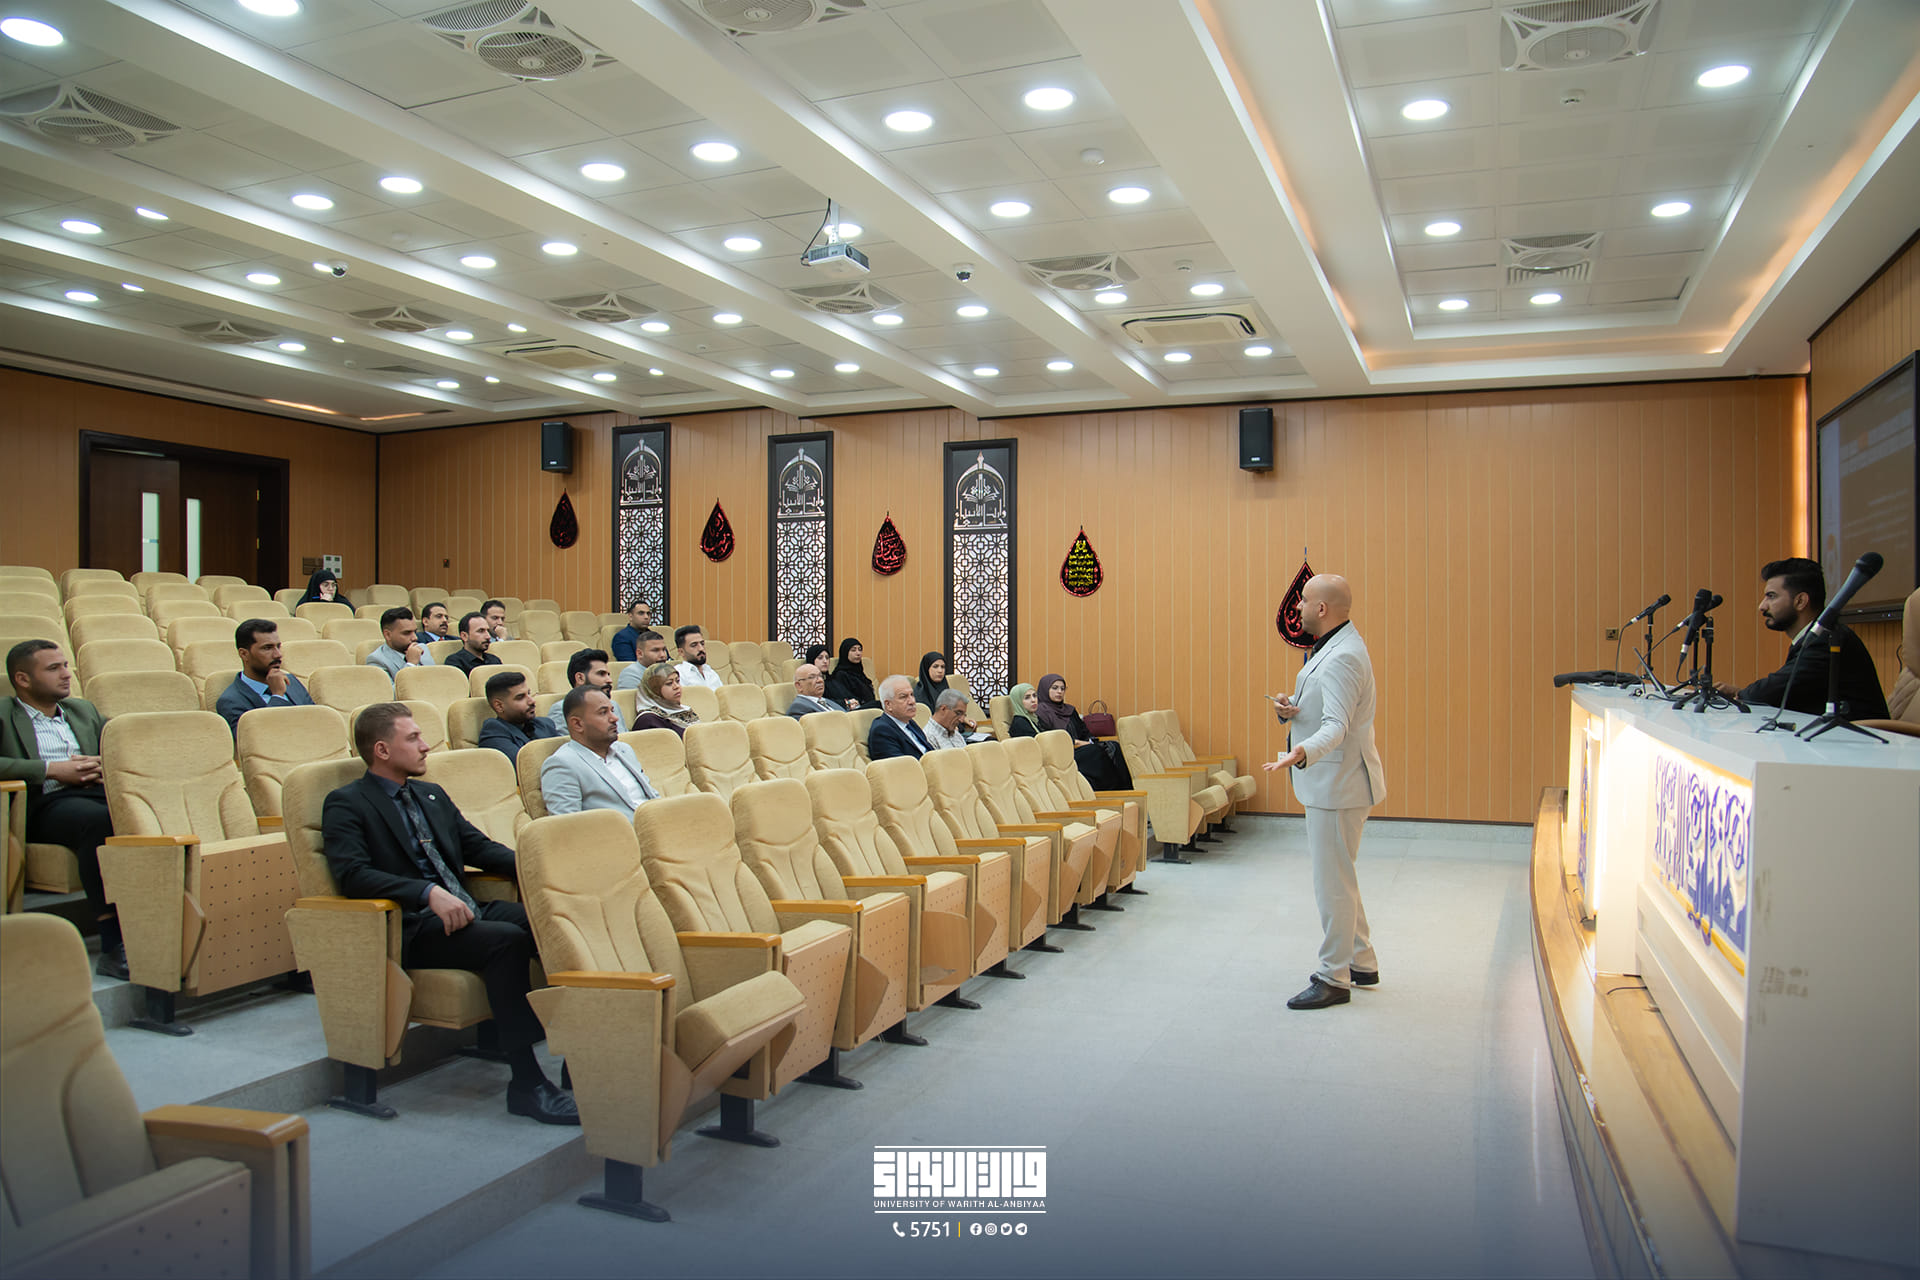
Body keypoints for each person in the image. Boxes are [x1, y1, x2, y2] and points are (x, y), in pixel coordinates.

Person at [320, 702, 576, 1124]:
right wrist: (425, 893)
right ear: (382, 750)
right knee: (505, 941)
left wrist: (541, 867)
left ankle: (577, 1050)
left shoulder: (430, 794)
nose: (426, 746)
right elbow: (353, 875)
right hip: (411, 925)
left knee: (553, 924)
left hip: (466, 911)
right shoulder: (347, 803)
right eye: (413, 738)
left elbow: (478, 848)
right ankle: (527, 1084)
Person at [1265, 573, 1386, 1011]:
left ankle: (1334, 976)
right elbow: (1327, 711)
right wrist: (1291, 712)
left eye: (1303, 601)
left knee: (1331, 884)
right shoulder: (1333, 647)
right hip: (1333, 781)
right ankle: (1361, 962)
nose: (1296, 607)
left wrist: (1301, 752)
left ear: (1322, 609)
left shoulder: (1343, 657)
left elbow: (1337, 726)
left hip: (1337, 784)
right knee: (1340, 877)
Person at [2, 641, 125, 978]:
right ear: (23, 679)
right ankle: (113, 942)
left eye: (66, 666)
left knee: (144, 811)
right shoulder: (4, 714)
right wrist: (51, 769)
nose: (66, 674)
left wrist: (101, 762)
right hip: (43, 804)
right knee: (100, 821)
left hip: (96, 792)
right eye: (53, 668)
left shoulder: (82, 710)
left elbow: (122, 745)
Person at [1714, 557, 1888, 718]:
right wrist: (1742, 693)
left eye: (1771, 596)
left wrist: (1741, 694)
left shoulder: (1827, 639)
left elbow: (1778, 687)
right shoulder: (1811, 637)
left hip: (1858, 738)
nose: (1762, 606)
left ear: (1800, 601)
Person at [542, 686, 660, 816]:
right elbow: (568, 824)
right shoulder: (562, 764)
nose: (614, 718)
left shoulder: (624, 750)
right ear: (577, 724)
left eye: (612, 711)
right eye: (603, 712)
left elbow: (652, 795)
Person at [215, 619, 314, 735]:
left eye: (278, 647)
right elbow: (255, 740)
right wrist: (278, 696)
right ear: (244, 654)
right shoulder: (231, 701)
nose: (278, 655)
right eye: (267, 648)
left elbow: (316, 720)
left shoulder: (291, 681)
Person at [1035, 674, 1133, 791]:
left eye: (1062, 688)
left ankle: (1125, 789)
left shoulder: (1070, 710)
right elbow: (1048, 739)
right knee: (1095, 751)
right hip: (1064, 752)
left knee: (1113, 746)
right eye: (1055, 688)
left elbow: (1084, 731)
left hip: (1083, 747)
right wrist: (1078, 743)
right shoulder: (1040, 712)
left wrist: (1090, 741)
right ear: (1045, 689)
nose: (1059, 692)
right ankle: (1111, 790)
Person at [477, 671, 558, 766]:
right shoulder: (493, 731)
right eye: (520, 697)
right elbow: (526, 768)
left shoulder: (546, 724)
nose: (532, 701)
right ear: (499, 706)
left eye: (529, 694)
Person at [867, 674, 933, 760]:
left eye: (912, 695)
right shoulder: (882, 731)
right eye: (903, 697)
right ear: (888, 705)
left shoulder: (909, 722)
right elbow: (900, 766)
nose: (912, 701)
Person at [547, 649, 611, 734]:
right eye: (601, 674)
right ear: (580, 678)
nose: (609, 680)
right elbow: (568, 741)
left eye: (608, 675)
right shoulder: (561, 709)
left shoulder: (613, 705)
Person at [632, 662, 698, 736]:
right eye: (669, 683)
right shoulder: (648, 720)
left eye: (677, 681)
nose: (676, 686)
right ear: (654, 690)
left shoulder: (685, 710)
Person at [366, 606, 434, 677]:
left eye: (415, 632)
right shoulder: (377, 660)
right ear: (388, 635)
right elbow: (391, 685)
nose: (415, 638)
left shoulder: (422, 648)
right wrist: (411, 664)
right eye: (407, 633)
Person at [825, 637, 878, 709]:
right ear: (845, 653)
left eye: (860, 650)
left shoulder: (860, 673)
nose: (858, 653)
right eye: (853, 650)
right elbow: (848, 698)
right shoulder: (840, 675)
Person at [445, 611, 501, 677]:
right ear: (464, 636)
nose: (488, 636)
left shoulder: (494, 660)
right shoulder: (455, 662)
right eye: (481, 631)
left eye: (488, 631)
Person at [674, 625, 724, 692]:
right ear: (681, 652)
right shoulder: (679, 674)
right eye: (694, 645)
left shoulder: (710, 671)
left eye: (702, 644)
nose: (701, 648)